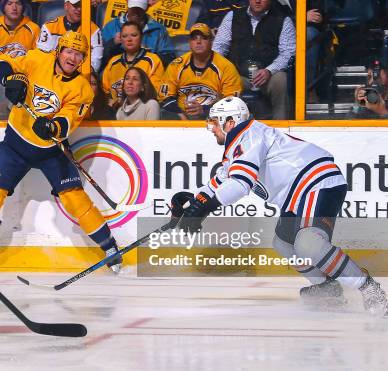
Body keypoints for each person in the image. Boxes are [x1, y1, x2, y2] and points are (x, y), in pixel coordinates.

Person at [170, 96, 388, 316]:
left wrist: (204, 208)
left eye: (215, 122)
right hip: (297, 193)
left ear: (230, 122)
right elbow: (218, 182)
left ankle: (369, 288)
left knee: (309, 244)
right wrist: (190, 204)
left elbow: (239, 184)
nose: (211, 127)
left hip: (316, 182)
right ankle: (327, 288)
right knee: (284, 244)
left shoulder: (250, 137)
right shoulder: (240, 143)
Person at [0, 31, 124, 274]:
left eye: (78, 54)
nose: (72, 57)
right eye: (69, 51)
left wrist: (53, 126)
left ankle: (111, 249)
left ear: (83, 59)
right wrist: (13, 79)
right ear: (59, 50)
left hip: (50, 149)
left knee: (75, 199)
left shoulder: (83, 88)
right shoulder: (37, 59)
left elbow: (69, 119)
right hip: (15, 145)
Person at [212, 0, 295, 119]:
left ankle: (280, 127)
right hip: (237, 76)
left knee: (281, 79)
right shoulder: (232, 16)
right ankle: (224, 127)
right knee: (218, 77)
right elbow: (218, 48)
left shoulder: (283, 20)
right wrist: (225, 71)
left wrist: (269, 70)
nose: (257, 1)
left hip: (268, 76)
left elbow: (288, 54)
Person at [159, 23, 242, 120]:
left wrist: (205, 110)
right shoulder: (176, 65)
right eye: (194, 38)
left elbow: (232, 102)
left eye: (204, 38)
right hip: (181, 115)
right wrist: (179, 113)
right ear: (189, 42)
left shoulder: (226, 67)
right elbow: (164, 97)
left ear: (211, 41)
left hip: (213, 117)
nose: (198, 42)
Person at [0, 0, 39, 101]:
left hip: (24, 73)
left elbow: (38, 60)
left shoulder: (34, 29)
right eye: (9, 3)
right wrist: (5, 76)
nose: (14, 7)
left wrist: (19, 75)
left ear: (23, 7)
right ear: (3, 7)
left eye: (18, 3)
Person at [102, 21, 163, 107]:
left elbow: (154, 93)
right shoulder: (113, 62)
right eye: (124, 36)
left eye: (134, 35)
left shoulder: (153, 60)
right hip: (115, 113)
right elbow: (105, 92)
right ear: (121, 39)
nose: (129, 39)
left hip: (142, 111)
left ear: (141, 37)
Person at [101, 0, 175, 67]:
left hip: (147, 71)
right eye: (133, 10)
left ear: (147, 7)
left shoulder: (158, 29)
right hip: (118, 69)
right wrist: (113, 43)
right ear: (127, 5)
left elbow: (169, 59)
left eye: (139, 10)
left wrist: (146, 56)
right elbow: (101, 58)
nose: (136, 13)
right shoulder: (111, 26)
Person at [36, 0, 103, 73]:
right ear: (66, 6)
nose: (79, 9)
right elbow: (41, 57)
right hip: (50, 73)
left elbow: (95, 63)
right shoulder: (49, 27)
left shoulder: (94, 30)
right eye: (76, 5)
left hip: (80, 77)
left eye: (82, 6)